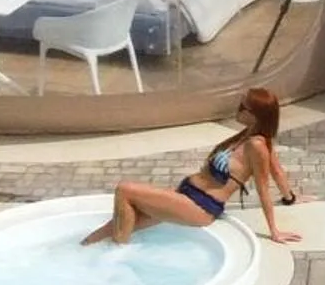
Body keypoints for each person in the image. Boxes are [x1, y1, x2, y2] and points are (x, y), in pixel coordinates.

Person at [82, 86, 302, 247]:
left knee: (125, 190)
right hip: (186, 195)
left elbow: (264, 186)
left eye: (242, 106)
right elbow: (277, 170)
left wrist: (274, 230)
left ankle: (117, 256)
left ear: (254, 115)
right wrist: (290, 197)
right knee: (109, 229)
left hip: (200, 206)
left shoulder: (257, 145)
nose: (237, 109)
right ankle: (84, 251)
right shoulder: (248, 136)